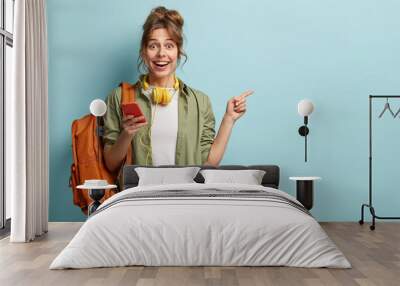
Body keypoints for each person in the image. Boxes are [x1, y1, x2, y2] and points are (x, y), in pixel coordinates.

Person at [103, 6, 252, 173]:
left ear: (178, 52)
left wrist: (229, 119)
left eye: (169, 45)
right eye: (153, 46)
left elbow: (209, 163)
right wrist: (127, 134)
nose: (161, 53)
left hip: (185, 197)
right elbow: (111, 164)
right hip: (139, 197)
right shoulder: (120, 97)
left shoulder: (200, 102)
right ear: (144, 52)